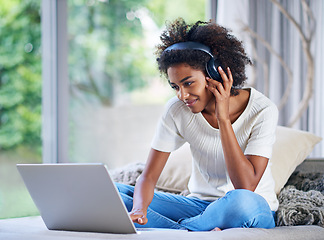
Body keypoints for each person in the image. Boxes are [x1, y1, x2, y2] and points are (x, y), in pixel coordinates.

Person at [115, 18, 279, 231]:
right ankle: (196, 229)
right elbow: (148, 176)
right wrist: (138, 209)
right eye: (175, 86)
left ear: (215, 73)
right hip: (198, 206)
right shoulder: (176, 110)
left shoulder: (262, 110)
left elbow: (245, 186)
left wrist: (223, 118)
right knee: (115, 193)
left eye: (188, 83)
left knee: (242, 202)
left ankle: (181, 231)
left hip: (247, 207)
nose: (182, 95)